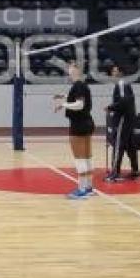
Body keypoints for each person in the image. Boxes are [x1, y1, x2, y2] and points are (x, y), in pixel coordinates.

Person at [53, 63, 95, 200]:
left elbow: (79, 104)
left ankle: (82, 190)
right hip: (87, 123)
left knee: (80, 158)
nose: (68, 70)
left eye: (71, 67)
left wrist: (63, 104)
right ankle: (89, 187)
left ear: (77, 70)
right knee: (87, 157)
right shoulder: (82, 86)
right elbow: (78, 99)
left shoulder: (78, 85)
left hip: (79, 125)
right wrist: (65, 97)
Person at [104, 65, 140, 183]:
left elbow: (124, 102)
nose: (113, 73)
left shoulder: (121, 83)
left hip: (123, 120)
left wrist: (111, 107)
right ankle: (135, 171)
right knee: (130, 145)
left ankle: (115, 173)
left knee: (118, 145)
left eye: (115, 71)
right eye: (112, 71)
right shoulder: (124, 84)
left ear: (120, 72)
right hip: (129, 119)